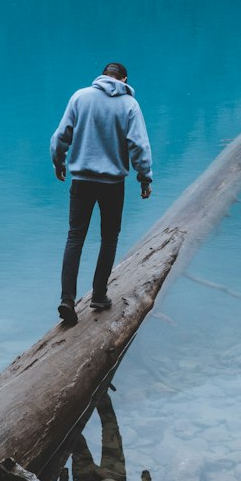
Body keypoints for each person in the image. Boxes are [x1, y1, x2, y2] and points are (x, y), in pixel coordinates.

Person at [50, 62, 153, 326]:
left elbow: (62, 135)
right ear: (124, 78)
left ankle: (67, 300)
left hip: (82, 180)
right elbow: (138, 146)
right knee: (109, 238)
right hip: (112, 184)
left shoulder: (80, 97)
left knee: (75, 237)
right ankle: (98, 295)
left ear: (101, 76)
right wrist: (144, 178)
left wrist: (58, 161)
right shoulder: (129, 105)